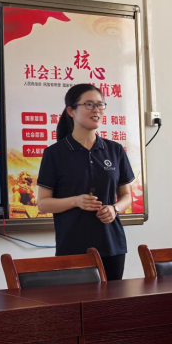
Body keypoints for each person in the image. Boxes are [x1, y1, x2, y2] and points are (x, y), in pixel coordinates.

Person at [36, 83, 134, 280]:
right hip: (72, 247)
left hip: (112, 246)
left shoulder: (115, 150)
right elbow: (43, 203)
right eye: (89, 104)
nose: (96, 110)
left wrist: (114, 209)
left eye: (100, 104)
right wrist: (76, 201)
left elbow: (126, 196)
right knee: (76, 300)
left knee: (112, 298)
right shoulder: (55, 154)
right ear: (71, 111)